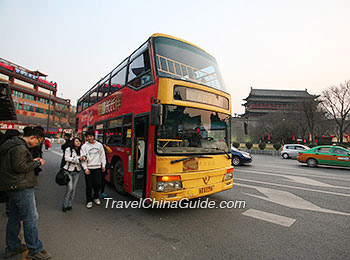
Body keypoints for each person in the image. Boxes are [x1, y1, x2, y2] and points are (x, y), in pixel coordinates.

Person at [0, 127, 52, 259]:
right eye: (38, 141)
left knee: (15, 217)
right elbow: (20, 167)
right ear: (34, 137)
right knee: (31, 218)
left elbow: (17, 164)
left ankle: (13, 246)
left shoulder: (13, 144)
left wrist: (31, 162)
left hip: (12, 185)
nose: (37, 144)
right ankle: (35, 249)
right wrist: (37, 163)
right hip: (21, 186)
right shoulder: (21, 148)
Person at [81, 131, 106, 209]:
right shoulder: (84, 146)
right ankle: (89, 201)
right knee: (89, 185)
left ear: (94, 136)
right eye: (88, 137)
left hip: (98, 167)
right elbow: (83, 158)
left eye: (91, 136)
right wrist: (85, 168)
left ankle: (96, 197)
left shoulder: (99, 145)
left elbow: (102, 155)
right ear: (86, 137)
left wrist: (103, 165)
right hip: (89, 168)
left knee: (98, 184)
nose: (89, 138)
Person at [0, 129, 21, 217]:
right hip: (9, 175)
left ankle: (9, 209)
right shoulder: (14, 147)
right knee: (11, 194)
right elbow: (18, 166)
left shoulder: (3, 145)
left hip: (4, 174)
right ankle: (10, 209)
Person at [62, 137, 84, 212]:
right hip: (68, 171)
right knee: (70, 188)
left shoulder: (81, 150)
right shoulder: (69, 149)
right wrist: (77, 160)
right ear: (73, 142)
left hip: (77, 171)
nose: (78, 142)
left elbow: (84, 159)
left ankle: (70, 205)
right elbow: (66, 158)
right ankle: (64, 205)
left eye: (79, 141)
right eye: (76, 141)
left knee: (74, 189)